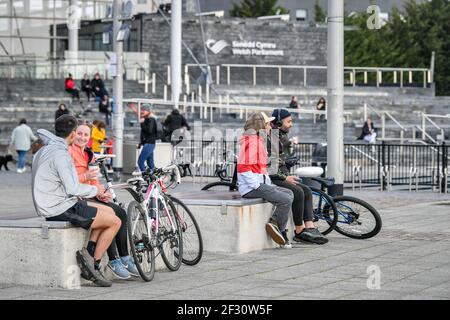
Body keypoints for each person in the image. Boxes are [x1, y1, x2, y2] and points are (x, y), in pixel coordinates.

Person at [31, 114, 121, 287]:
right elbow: (73, 188)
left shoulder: (46, 149)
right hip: (59, 208)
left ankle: (89, 254)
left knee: (108, 211)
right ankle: (93, 266)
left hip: (57, 202)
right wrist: (96, 190)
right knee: (115, 222)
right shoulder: (60, 154)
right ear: (72, 134)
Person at [68, 121, 139, 279]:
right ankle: (113, 260)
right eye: (79, 133)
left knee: (120, 211)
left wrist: (101, 193)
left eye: (86, 135)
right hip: (78, 197)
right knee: (111, 215)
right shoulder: (69, 153)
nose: (82, 137)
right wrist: (86, 178)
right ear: (73, 134)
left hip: (91, 194)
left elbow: (94, 181)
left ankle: (125, 258)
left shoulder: (89, 153)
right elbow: (70, 182)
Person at [270, 108, 328, 244]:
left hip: (281, 175)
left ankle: (310, 227)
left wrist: (288, 155)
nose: (291, 124)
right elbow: (270, 167)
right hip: (273, 177)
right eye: (288, 121)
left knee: (306, 190)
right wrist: (285, 177)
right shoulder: (272, 136)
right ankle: (299, 230)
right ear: (278, 122)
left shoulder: (281, 135)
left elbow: (281, 156)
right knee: (298, 192)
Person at [237, 112, 294, 248]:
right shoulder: (252, 142)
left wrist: (265, 184)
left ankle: (274, 223)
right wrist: (257, 185)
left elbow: (260, 168)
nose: (271, 126)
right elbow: (243, 167)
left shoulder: (257, 141)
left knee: (289, 194)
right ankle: (280, 231)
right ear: (261, 126)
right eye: (268, 124)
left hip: (259, 184)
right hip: (252, 187)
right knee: (285, 199)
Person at [138, 105, 158, 172]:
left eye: (144, 110)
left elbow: (149, 131)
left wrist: (142, 123)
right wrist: (141, 143)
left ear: (148, 111)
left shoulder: (151, 119)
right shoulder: (147, 119)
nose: (142, 111)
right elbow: (145, 133)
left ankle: (146, 177)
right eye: (141, 110)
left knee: (140, 162)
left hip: (149, 143)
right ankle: (155, 179)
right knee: (150, 163)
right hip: (149, 143)